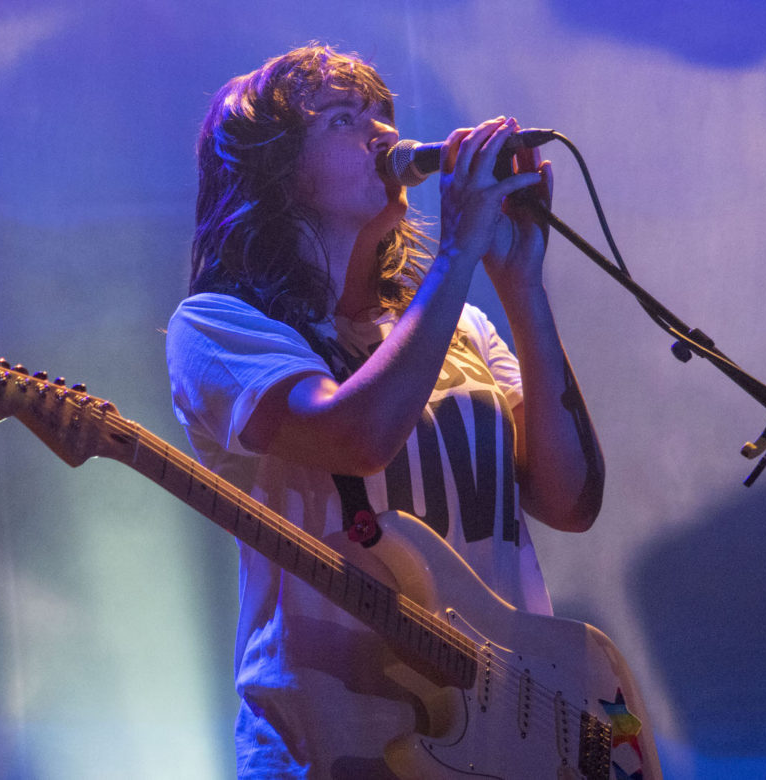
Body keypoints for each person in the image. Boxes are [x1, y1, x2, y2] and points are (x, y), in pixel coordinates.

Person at [166, 43, 604, 779]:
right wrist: (460, 245)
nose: (382, 135)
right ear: (276, 172)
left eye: (382, 115)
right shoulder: (218, 327)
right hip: (331, 744)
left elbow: (570, 500)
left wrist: (522, 284)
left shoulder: (460, 326)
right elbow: (357, 436)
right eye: (343, 119)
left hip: (506, 735)